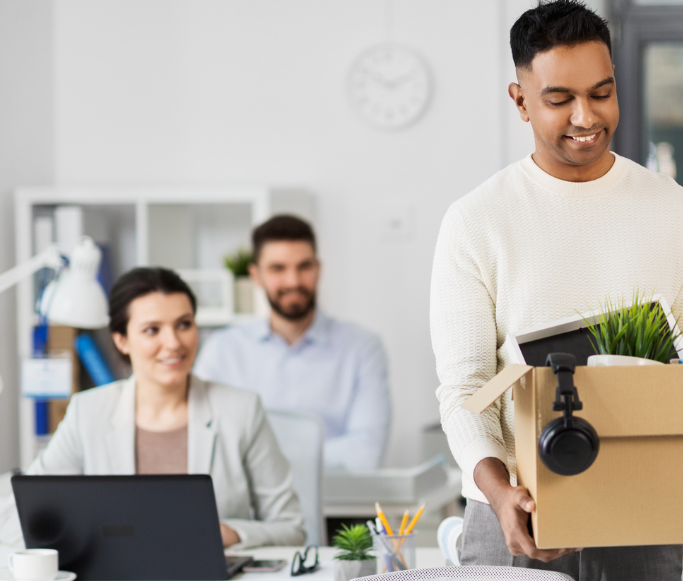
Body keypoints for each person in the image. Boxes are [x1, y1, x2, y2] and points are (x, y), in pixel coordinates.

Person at [431, 0, 683, 580]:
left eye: (601, 93)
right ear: (520, 101)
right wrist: (500, 494)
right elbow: (466, 390)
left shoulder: (680, 213)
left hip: (644, 512)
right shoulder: (477, 221)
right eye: (560, 100)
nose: (585, 117)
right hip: (513, 515)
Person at [0, 267, 305, 549]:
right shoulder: (87, 412)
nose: (173, 343)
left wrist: (228, 533)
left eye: (183, 324)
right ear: (121, 340)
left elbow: (291, 528)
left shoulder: (241, 410)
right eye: (152, 330)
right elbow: (20, 516)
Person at [195, 215, 391, 471]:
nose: (293, 281)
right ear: (256, 275)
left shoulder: (362, 348)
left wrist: (262, 463)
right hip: (249, 498)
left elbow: (366, 453)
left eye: (304, 266)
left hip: (337, 496)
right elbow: (204, 443)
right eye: (278, 268)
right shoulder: (222, 350)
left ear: (318, 269)